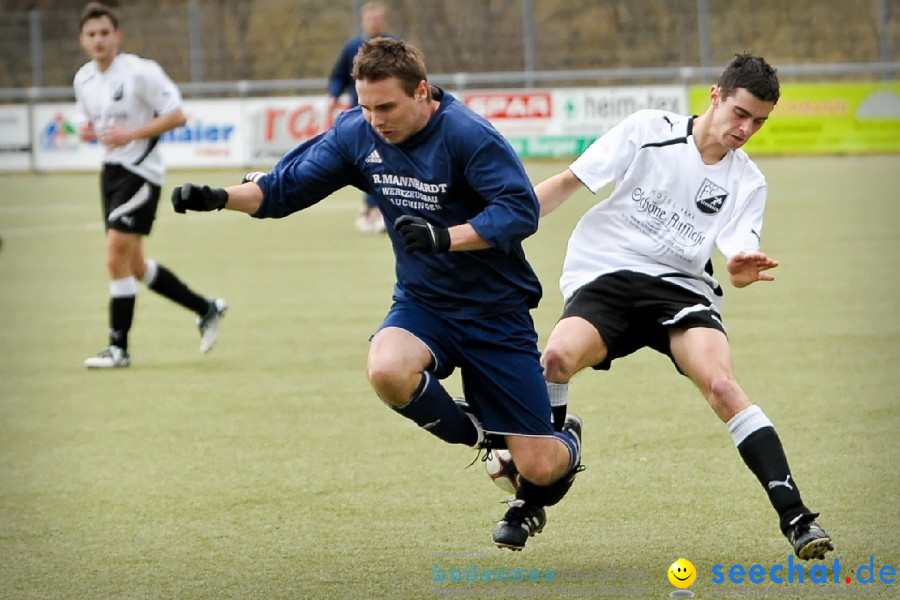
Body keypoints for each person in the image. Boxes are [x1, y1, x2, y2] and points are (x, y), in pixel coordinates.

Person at [171, 38, 582, 551]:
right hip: (423, 302)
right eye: (366, 107)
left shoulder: (467, 135)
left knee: (540, 467)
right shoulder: (356, 133)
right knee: (386, 367)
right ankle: (482, 437)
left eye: (386, 106)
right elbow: (281, 189)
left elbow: (519, 210)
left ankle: (564, 438)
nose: (376, 119)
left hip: (495, 311)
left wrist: (445, 237)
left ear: (422, 91)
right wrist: (218, 198)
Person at [530, 54, 833, 560]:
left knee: (722, 386)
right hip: (609, 273)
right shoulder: (648, 129)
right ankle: (537, 490)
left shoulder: (747, 181)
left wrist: (739, 270)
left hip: (680, 286)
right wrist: (495, 227)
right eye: (740, 113)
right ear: (715, 95)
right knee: (555, 359)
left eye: (759, 121)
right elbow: (567, 184)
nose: (746, 129)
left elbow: (736, 256)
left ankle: (797, 517)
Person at [74, 2, 226, 368]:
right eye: (91, 34)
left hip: (141, 173)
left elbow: (177, 115)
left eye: (104, 33)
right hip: (110, 173)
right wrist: (86, 130)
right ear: (83, 39)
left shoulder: (141, 72)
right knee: (135, 264)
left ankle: (118, 349)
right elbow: (89, 123)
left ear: (117, 36)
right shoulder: (84, 79)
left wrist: (131, 133)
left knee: (114, 257)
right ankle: (206, 308)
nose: (98, 40)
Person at [327, 1, 394, 234]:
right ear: (363, 21)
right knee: (370, 162)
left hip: (390, 118)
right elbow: (338, 77)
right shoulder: (352, 47)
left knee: (384, 161)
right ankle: (372, 209)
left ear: (383, 21)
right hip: (362, 117)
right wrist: (333, 97)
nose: (374, 22)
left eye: (378, 18)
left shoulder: (394, 47)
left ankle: (374, 210)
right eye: (370, 18)